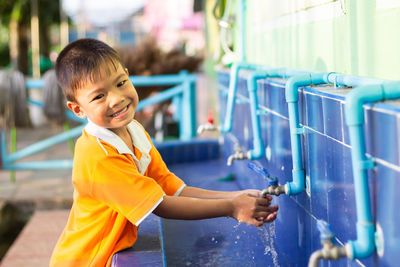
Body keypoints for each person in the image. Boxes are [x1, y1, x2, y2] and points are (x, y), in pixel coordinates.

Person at [50, 38, 278, 267]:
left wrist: (234, 197)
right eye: (99, 96)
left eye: (120, 83)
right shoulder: (98, 156)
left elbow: (170, 188)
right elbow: (160, 205)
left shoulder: (133, 130)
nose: (117, 98)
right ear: (78, 109)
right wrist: (231, 208)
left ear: (128, 75)